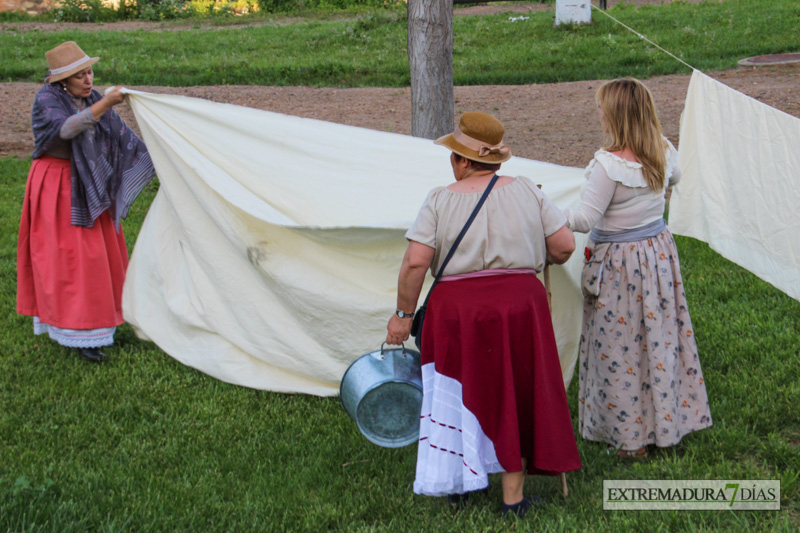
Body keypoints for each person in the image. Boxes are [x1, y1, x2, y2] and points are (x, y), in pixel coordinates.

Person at [386, 112, 581, 517]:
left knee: (458, 391)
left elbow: (415, 263)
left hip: (458, 312)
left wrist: (404, 315)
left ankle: (462, 483)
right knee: (514, 390)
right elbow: (563, 247)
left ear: (461, 160)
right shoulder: (528, 191)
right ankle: (513, 500)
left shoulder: (440, 198)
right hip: (519, 308)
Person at [564, 78, 712, 458]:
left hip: (619, 267)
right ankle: (666, 422)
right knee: (659, 339)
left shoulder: (607, 165)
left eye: (601, 107)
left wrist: (541, 208)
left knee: (619, 346)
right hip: (657, 256)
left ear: (614, 115)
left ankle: (632, 441)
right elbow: (674, 178)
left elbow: (584, 219)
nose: (597, 112)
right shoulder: (662, 150)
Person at [17, 41, 156, 362]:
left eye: (90, 72)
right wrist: (106, 102)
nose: (88, 80)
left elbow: (123, 138)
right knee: (71, 259)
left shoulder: (91, 98)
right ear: (61, 80)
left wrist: (162, 155)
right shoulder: (47, 99)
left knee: (98, 256)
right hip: (57, 184)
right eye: (79, 76)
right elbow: (65, 129)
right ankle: (77, 331)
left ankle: (99, 324)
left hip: (89, 182)